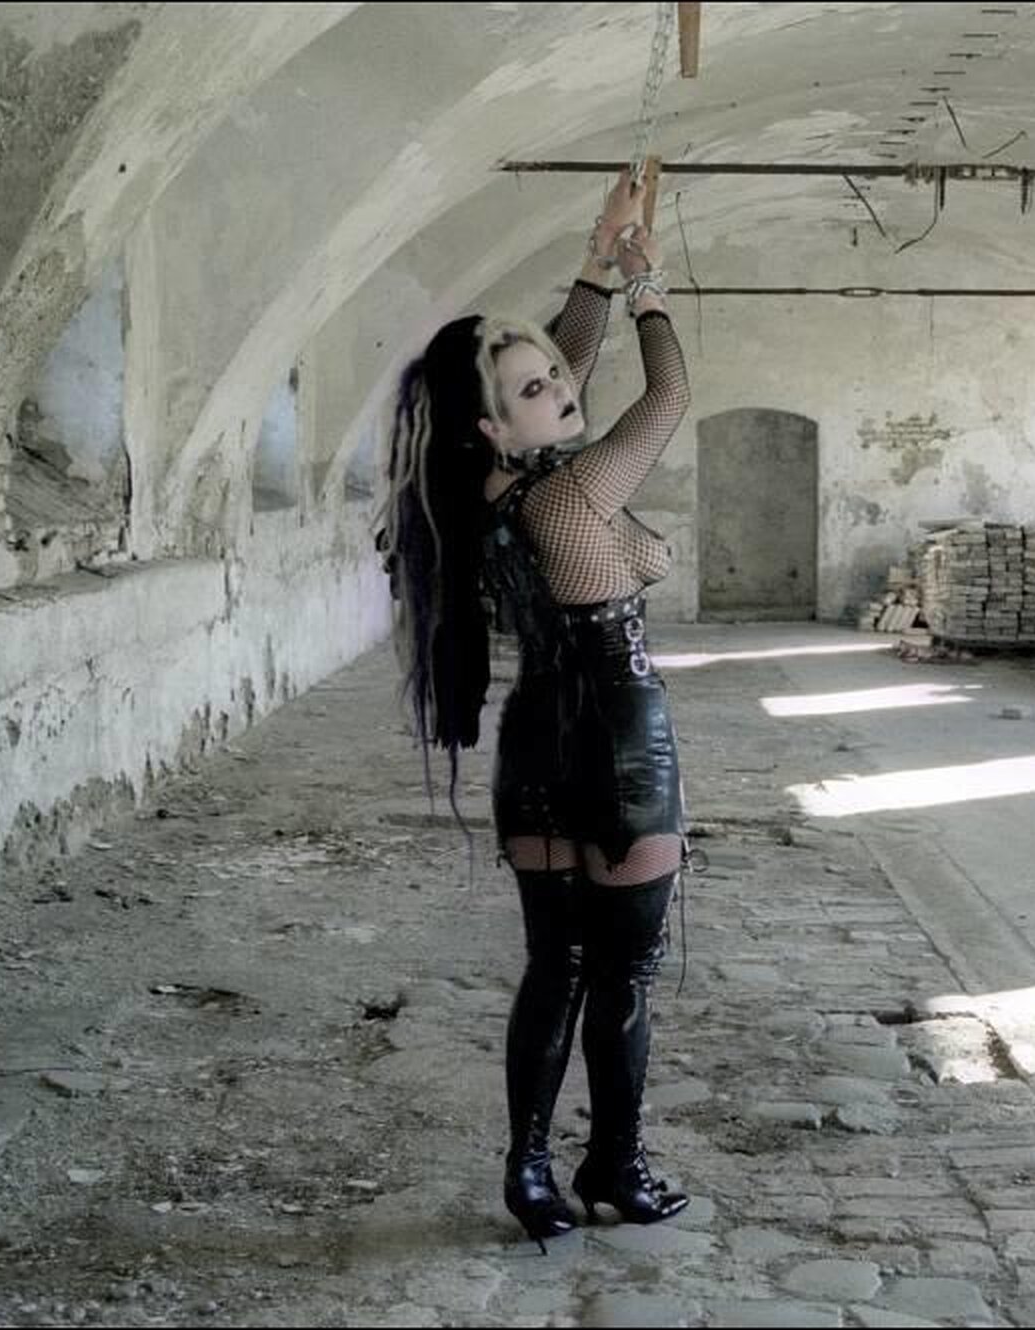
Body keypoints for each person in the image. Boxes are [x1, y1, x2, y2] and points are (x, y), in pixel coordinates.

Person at [378, 167, 692, 1249]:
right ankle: (615, 1167)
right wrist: (648, 285)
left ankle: (527, 1169)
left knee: (555, 966)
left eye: (553, 374)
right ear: (491, 421)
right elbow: (665, 403)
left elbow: (555, 368)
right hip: (620, 741)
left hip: (534, 748)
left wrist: (597, 260)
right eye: (533, 389)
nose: (559, 386)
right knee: (624, 971)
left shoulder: (477, 495)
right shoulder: (572, 495)